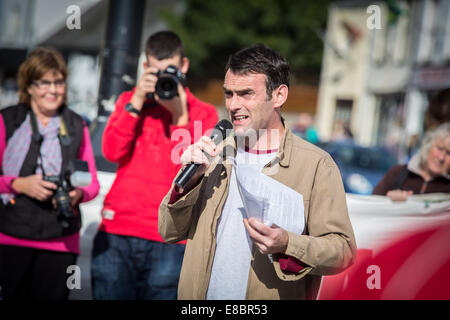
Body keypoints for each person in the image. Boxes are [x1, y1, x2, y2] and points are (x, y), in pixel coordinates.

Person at [159, 44, 356, 300]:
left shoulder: (317, 165)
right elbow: (168, 230)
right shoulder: (213, 152)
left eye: (246, 94)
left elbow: (343, 252)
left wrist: (288, 244)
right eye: (229, 94)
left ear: (279, 96)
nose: (233, 104)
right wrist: (187, 185)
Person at [90, 31, 218, 300]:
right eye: (155, 72)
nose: (163, 80)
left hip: (168, 238)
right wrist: (137, 100)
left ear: (183, 66)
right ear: (145, 68)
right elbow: (111, 152)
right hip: (117, 231)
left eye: (169, 71)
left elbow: (188, 177)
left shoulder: (203, 113)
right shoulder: (129, 101)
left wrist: (179, 116)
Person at [0, 47, 100, 300]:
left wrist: (77, 194)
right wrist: (18, 184)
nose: (53, 90)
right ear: (29, 86)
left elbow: (92, 185)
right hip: (10, 239)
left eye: (59, 82)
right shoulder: (8, 120)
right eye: (44, 82)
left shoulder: (77, 124)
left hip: (61, 242)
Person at [373, 123, 450, 201]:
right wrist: (388, 200)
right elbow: (371, 206)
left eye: (449, 153)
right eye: (439, 148)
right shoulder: (397, 173)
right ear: (428, 146)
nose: (441, 158)